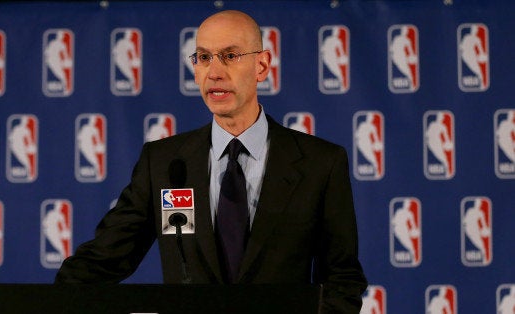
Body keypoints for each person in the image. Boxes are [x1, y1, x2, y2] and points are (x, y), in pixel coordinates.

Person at [55, 10, 367, 312]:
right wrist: (49, 302)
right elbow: (104, 260)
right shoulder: (163, 163)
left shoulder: (319, 163)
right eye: (204, 57)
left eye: (230, 56)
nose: (214, 72)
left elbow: (342, 279)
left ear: (262, 65)